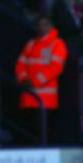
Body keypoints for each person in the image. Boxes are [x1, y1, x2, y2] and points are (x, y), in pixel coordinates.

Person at [14, 15, 68, 143]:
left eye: (45, 24)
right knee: (28, 133)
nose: (42, 27)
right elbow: (20, 65)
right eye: (39, 24)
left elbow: (55, 68)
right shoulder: (31, 44)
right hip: (28, 97)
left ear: (51, 26)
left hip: (46, 100)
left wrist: (34, 81)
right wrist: (24, 79)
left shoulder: (57, 44)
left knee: (44, 134)